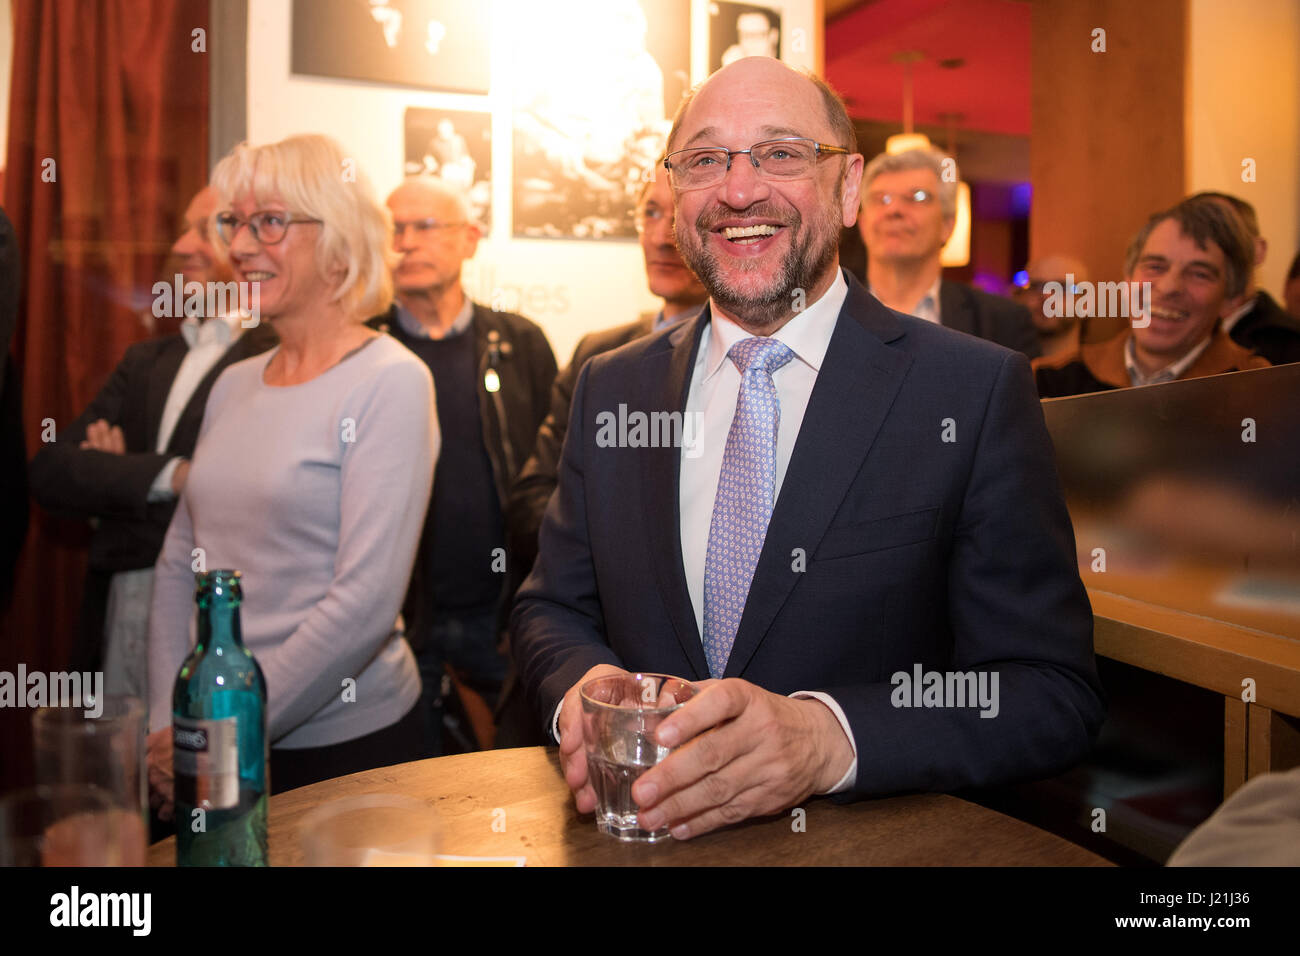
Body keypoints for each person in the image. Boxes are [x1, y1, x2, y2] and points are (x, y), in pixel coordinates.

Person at [511, 57, 1104, 840]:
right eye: (705, 160)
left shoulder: (970, 392)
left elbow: (1047, 690)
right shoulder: (612, 389)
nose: (739, 190)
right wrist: (584, 694)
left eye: (782, 153)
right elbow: (551, 605)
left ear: (849, 187)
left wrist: (829, 739)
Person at [146, 134, 438, 812]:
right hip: (208, 736)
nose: (241, 245)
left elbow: (363, 604)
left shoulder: (390, 381)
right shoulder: (234, 382)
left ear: (336, 240)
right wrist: (176, 724)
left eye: (269, 222)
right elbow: (174, 569)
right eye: (235, 223)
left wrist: (223, 730)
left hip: (343, 755)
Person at [29, 187, 277, 696]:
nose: (183, 246)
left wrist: (116, 489)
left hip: (225, 634)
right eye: (184, 229)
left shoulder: (276, 359)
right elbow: (51, 472)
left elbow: (243, 500)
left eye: (206, 229)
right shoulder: (145, 361)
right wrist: (174, 475)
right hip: (117, 630)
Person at [370, 176, 555, 755]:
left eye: (423, 226)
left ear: (470, 239)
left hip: (503, 618)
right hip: (392, 625)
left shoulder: (522, 345)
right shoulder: (361, 348)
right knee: (407, 799)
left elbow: (553, 486)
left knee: (519, 787)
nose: (404, 242)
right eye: (392, 230)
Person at [506, 168, 708, 575]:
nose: (660, 238)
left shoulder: (750, 363)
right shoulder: (597, 355)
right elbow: (532, 500)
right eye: (651, 213)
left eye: (680, 217)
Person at [1035, 199, 1270, 398]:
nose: (1168, 288)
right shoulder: (1048, 381)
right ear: (1127, 280)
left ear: (1231, 299)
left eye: (1199, 274)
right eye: (1155, 267)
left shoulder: (1261, 390)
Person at [857, 147, 1040, 359]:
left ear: (948, 225)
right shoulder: (825, 310)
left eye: (917, 197)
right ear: (862, 224)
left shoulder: (1003, 321)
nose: (894, 210)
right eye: (882, 199)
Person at [1186, 191, 1300, 366]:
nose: (1202, 252)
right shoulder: (1163, 332)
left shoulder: (1289, 344)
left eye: (1221, 235)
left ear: (1257, 251)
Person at [1013, 254, 1091, 359]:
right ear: (1019, 297)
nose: (1046, 296)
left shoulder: (1101, 372)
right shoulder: (1002, 369)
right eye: (1035, 286)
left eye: (1063, 287)